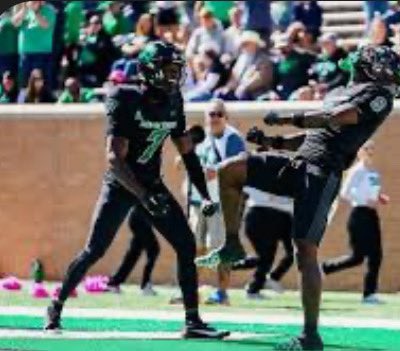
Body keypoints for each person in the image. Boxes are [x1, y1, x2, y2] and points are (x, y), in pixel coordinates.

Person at [197, 45, 400, 350]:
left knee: (304, 251)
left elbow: (336, 117)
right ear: (366, 64)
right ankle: (231, 242)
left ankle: (311, 335)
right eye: (385, 64)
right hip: (298, 165)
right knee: (231, 170)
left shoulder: (379, 96)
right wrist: (274, 142)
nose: (389, 71)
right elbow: (315, 135)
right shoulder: (339, 91)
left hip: (322, 175)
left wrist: (288, 117)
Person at [44, 41, 229, 340]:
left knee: (185, 244)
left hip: (152, 184)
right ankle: (56, 305)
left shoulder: (174, 100)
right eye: (168, 71)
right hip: (121, 185)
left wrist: (205, 195)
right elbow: (115, 159)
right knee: (95, 250)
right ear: (148, 71)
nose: (173, 77)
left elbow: (187, 153)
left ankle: (193, 321)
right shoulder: (125, 97)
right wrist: (143, 196)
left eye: (176, 71)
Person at [186, 99, 246, 306]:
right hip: (198, 200)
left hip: (221, 203)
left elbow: (241, 163)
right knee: (195, 247)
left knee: (219, 248)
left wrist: (216, 170)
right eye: (211, 114)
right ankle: (190, 291)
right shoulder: (201, 136)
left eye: (219, 114)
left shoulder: (232, 139)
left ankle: (222, 293)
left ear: (226, 117)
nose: (215, 118)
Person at [322, 140, 389, 305]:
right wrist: (364, 200)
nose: (370, 152)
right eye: (367, 149)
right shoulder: (357, 171)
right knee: (357, 257)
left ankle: (369, 294)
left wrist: (379, 198)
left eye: (372, 149)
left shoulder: (372, 173)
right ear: (359, 151)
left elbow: (372, 192)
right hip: (359, 215)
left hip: (372, 215)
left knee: (376, 255)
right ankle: (324, 268)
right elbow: (345, 193)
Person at [232, 184, 294, 299]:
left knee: (295, 252)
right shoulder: (259, 170)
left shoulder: (292, 170)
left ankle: (268, 279)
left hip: (279, 215)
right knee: (266, 258)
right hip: (260, 213)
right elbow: (243, 195)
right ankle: (254, 287)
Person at [106, 207, 160, 296]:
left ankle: (114, 282)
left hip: (140, 219)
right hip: (139, 220)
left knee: (133, 254)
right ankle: (145, 285)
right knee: (154, 249)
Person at [214, 31, 273, 101]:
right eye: (243, 44)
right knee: (219, 94)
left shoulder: (263, 59)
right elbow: (234, 77)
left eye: (246, 43)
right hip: (238, 90)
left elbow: (261, 78)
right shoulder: (241, 59)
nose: (243, 46)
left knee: (242, 94)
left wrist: (244, 87)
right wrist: (228, 87)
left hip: (255, 92)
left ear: (254, 44)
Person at [12, 1, 57, 89]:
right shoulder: (24, 11)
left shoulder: (49, 11)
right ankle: (23, 101)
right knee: (24, 82)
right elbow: (15, 23)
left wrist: (36, 12)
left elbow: (45, 25)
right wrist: (24, 10)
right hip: (25, 53)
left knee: (42, 84)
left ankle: (44, 101)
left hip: (42, 53)